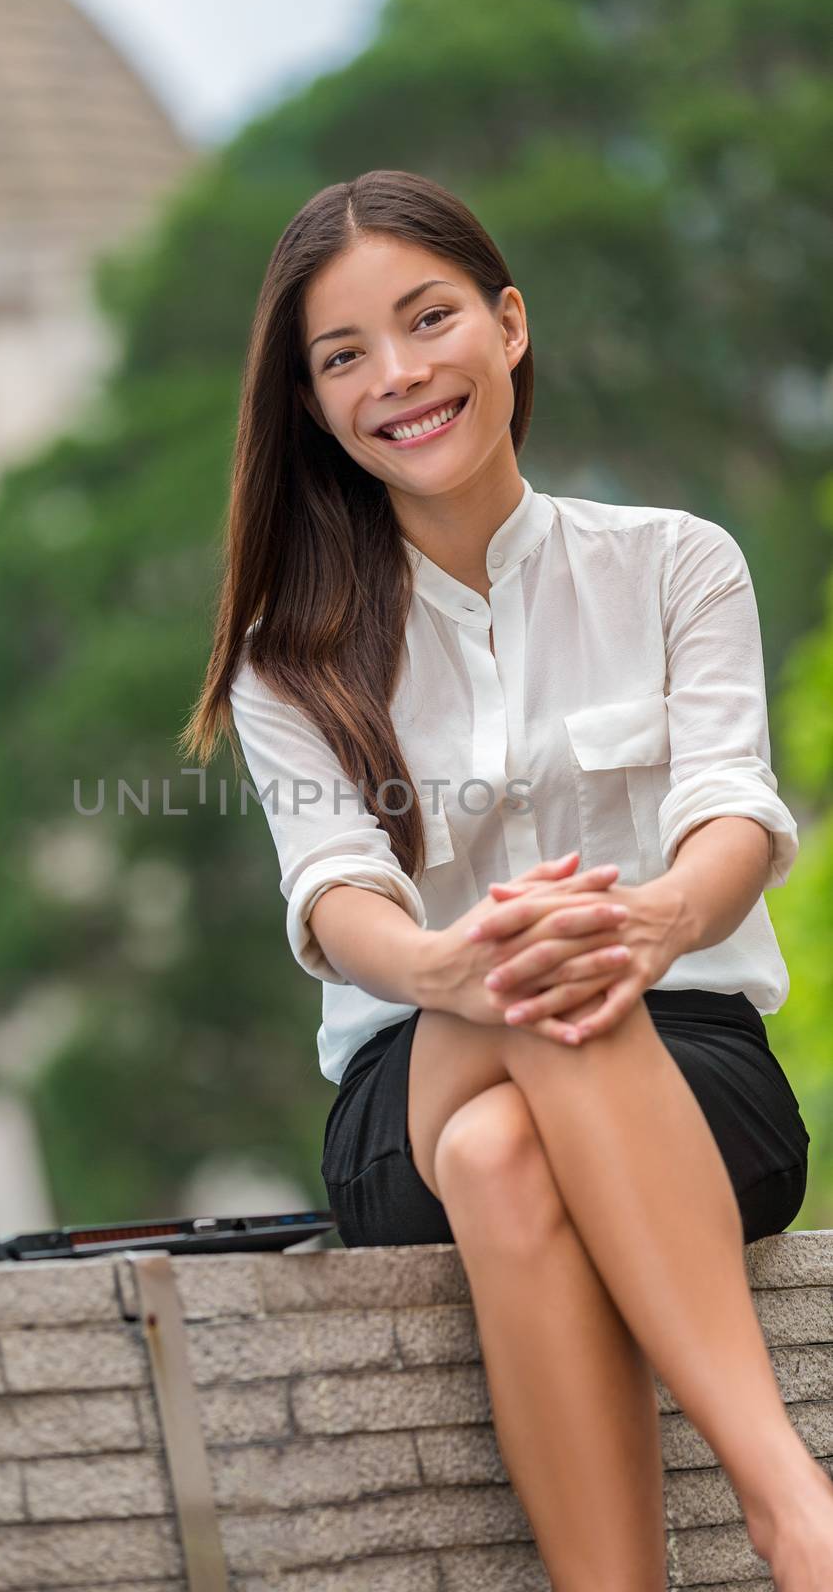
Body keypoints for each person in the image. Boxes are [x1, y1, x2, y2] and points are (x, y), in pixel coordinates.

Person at [180, 168, 828, 1588]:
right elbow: (338, 890)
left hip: (695, 1075)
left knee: (512, 1126)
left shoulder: (677, 566)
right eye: (343, 357)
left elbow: (730, 812)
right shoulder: (286, 660)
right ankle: (798, 1510)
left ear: (510, 325)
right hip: (411, 1089)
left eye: (428, 321)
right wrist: (445, 967)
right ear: (309, 403)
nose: (398, 377)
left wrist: (655, 921)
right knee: (512, 1019)